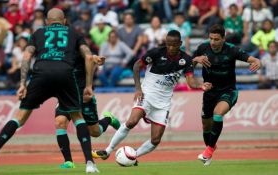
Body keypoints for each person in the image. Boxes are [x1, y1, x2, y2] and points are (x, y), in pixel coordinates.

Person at [0, 8, 99, 174]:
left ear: (47, 22)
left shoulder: (38, 33)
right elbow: (89, 57)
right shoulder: (73, 32)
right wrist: (89, 86)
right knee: (77, 117)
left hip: (41, 74)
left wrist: (22, 83)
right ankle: (90, 164)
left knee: (19, 118)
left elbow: (26, 57)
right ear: (64, 21)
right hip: (65, 74)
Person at [91, 30, 213, 162]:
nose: (171, 47)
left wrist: (201, 86)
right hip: (147, 94)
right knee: (131, 122)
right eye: (168, 44)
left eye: (174, 45)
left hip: (163, 103)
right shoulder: (156, 53)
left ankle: (133, 156)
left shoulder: (186, 60)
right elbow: (137, 65)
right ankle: (108, 150)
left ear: (180, 43)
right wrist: (138, 88)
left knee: (155, 139)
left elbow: (190, 82)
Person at [192, 24, 261, 166]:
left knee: (218, 114)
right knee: (206, 126)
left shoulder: (232, 50)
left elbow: (253, 59)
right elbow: (188, 67)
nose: (212, 42)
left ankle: (209, 150)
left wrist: (257, 61)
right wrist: (195, 60)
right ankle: (210, 147)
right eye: (211, 38)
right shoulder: (202, 48)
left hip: (228, 91)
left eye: (216, 39)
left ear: (223, 39)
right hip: (209, 92)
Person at [54, 38, 120, 169]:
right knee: (60, 122)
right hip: (66, 97)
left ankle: (108, 118)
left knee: (95, 132)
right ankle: (68, 161)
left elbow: (93, 58)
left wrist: (98, 60)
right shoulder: (57, 55)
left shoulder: (81, 53)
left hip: (85, 97)